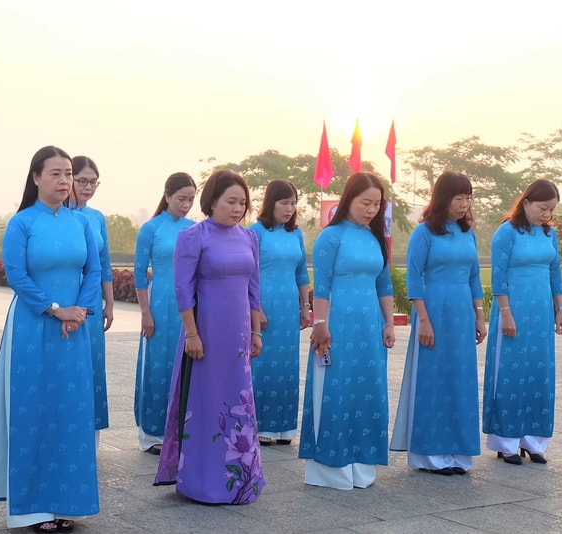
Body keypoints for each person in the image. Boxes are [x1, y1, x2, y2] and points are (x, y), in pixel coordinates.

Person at [0, 145, 101, 534]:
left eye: (68, 175)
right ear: (36, 178)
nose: (64, 181)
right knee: (34, 411)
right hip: (32, 328)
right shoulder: (22, 223)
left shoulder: (81, 224)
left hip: (75, 330)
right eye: (56, 174)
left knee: (71, 413)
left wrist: (79, 312)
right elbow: (16, 275)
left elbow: (94, 271)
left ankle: (67, 502)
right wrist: (55, 309)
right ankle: (31, 508)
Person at [154, 170, 265, 505]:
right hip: (205, 332)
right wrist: (191, 333)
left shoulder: (249, 238)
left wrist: (257, 330)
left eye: (242, 203)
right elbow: (182, 288)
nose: (237, 208)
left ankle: (241, 481)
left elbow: (253, 289)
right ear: (212, 201)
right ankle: (200, 482)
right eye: (231, 201)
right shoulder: (193, 236)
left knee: (239, 401)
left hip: (240, 335)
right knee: (205, 403)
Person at [301, 171, 396, 490]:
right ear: (348, 200)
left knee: (367, 392)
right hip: (337, 324)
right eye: (365, 203)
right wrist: (320, 324)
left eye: (376, 204)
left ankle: (362, 462)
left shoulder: (375, 237)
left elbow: (383, 283)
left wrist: (388, 323)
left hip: (369, 329)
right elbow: (323, 285)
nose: (371, 209)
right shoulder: (331, 236)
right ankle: (330, 467)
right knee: (336, 390)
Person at [390, 171, 486, 475]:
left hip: (461, 310)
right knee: (433, 380)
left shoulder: (467, 231)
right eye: (459, 197)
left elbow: (474, 275)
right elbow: (413, 277)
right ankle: (430, 455)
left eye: (468, 197)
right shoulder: (425, 232)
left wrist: (479, 314)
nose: (464, 203)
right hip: (433, 308)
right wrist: (424, 320)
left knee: (461, 379)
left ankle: (458, 452)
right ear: (443, 197)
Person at [483, 178, 562, 465]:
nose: (547, 214)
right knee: (510, 373)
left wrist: (561, 309)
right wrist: (505, 313)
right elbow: (498, 277)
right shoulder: (506, 233)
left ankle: (533, 441)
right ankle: (506, 441)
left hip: (541, 314)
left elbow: (555, 273)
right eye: (543, 207)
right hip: (513, 312)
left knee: (538, 373)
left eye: (552, 209)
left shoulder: (548, 234)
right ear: (527, 202)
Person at [132, 172, 197, 453]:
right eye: (181, 198)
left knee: (184, 368)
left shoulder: (195, 228)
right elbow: (137, 272)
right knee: (157, 367)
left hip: (189, 304)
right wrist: (145, 312)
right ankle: (153, 433)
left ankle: (182, 430)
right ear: (167, 196)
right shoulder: (151, 228)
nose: (186, 205)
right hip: (159, 302)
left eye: (191, 200)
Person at [248, 179, 311, 446]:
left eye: (293, 203)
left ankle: (284, 427)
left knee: (287, 365)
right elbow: (248, 272)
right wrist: (256, 308)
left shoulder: (295, 234)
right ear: (270, 203)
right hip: (263, 304)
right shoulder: (256, 232)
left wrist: (305, 306)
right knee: (263, 364)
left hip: (288, 307)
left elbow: (301, 272)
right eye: (284, 202)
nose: (289, 208)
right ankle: (261, 425)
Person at [70, 155, 113, 436]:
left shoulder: (97, 218)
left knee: (93, 362)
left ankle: (91, 432)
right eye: (82, 181)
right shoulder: (60, 215)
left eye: (93, 182)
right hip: (66, 298)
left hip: (92, 304)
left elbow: (104, 261)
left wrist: (109, 302)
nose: (88, 187)